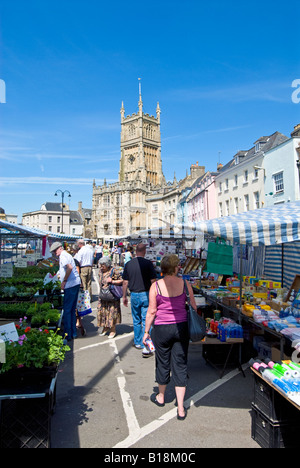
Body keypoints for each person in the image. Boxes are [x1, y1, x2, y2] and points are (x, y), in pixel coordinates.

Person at [143, 254, 197, 420]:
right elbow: (193, 306)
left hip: (161, 328)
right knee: (180, 364)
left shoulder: (156, 286)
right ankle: (181, 407)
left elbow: (152, 311)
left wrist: (146, 332)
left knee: (162, 361)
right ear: (176, 268)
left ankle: (161, 396)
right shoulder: (185, 284)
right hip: (181, 327)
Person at [122, 243, 157, 357]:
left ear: (135, 251)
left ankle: (137, 342)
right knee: (146, 319)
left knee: (136, 319)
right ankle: (146, 342)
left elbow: (125, 282)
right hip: (146, 293)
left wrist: (124, 296)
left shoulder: (128, 264)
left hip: (134, 294)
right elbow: (153, 281)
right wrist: (156, 294)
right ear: (145, 251)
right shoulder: (148, 264)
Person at [50, 241, 81, 341]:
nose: (55, 253)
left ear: (59, 248)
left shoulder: (63, 256)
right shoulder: (66, 255)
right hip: (75, 283)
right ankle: (73, 332)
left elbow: (70, 268)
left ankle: (68, 334)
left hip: (70, 284)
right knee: (71, 309)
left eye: (55, 251)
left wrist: (64, 281)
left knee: (67, 310)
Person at [97, 256, 122, 338]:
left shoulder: (114, 270)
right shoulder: (100, 271)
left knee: (112, 312)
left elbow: (122, 280)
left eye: (103, 265)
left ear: (108, 265)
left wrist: (112, 281)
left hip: (112, 295)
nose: (101, 267)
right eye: (100, 265)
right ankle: (105, 327)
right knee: (103, 311)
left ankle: (112, 330)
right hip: (103, 295)